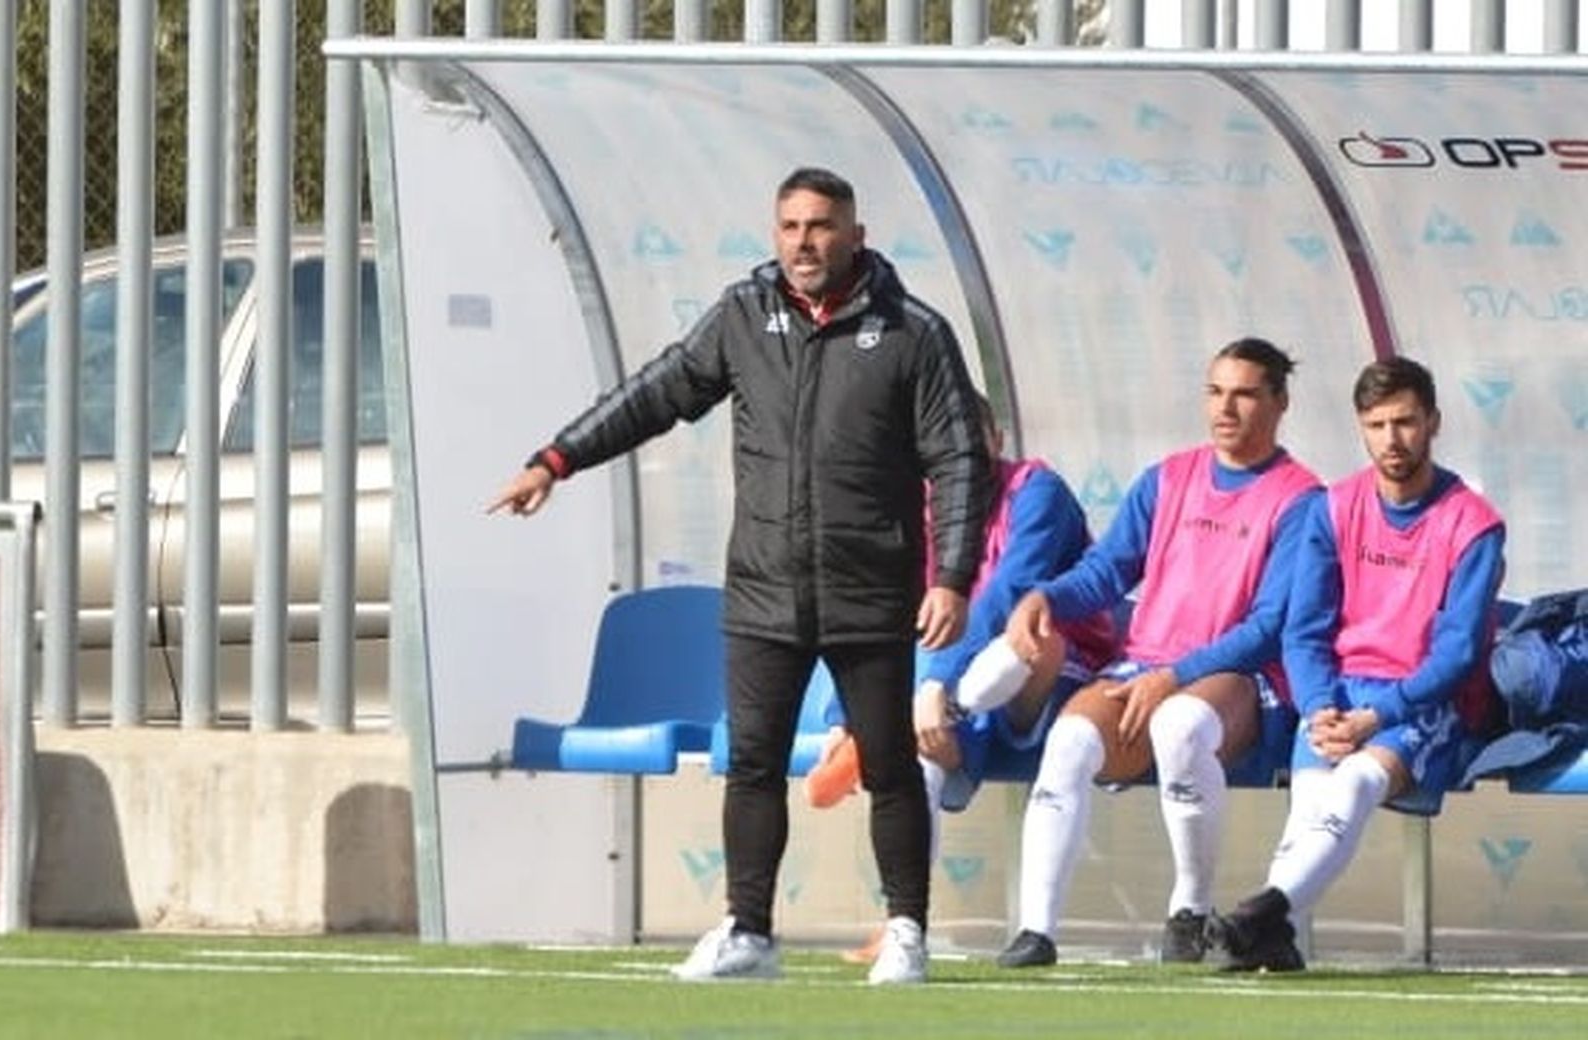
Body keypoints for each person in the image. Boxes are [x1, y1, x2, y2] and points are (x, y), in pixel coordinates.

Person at [487, 167, 993, 985]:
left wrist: (954, 575)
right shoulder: (743, 316)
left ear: (856, 236)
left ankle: (906, 931)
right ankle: (748, 932)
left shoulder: (913, 331)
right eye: (790, 227)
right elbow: (654, 395)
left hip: (870, 590)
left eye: (821, 226)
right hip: (763, 590)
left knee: (889, 764)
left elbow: (959, 458)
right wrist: (556, 460)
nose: (804, 242)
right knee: (752, 763)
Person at [995, 338, 1322, 969]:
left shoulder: (1302, 498)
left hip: (1239, 679)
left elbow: (1269, 627)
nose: (1225, 408)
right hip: (1144, 668)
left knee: (1180, 726)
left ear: (1280, 403)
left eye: (1245, 394)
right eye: (1215, 392)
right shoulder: (1167, 478)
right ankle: (1035, 932)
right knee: (1069, 743)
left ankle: (1189, 911)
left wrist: (1174, 677)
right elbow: (1105, 571)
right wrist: (1045, 597)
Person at [1207, 357, 1505, 972]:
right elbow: (1304, 631)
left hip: (1424, 702)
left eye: (1405, 422)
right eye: (1377, 425)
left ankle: (1258, 917)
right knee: (1309, 811)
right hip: (1340, 697)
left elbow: (1457, 654)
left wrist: (1378, 716)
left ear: (1433, 423)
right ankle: (1273, 937)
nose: (1392, 439)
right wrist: (1319, 705)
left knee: (1354, 784)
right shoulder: (1334, 507)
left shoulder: (1473, 523)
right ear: (1361, 428)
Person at [804, 398, 1117, 963]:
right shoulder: (914, 507)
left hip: (1044, 682)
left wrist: (935, 686)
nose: (958, 460)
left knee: (1030, 637)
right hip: (955, 689)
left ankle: (913, 721)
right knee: (918, 757)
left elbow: (1008, 595)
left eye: (972, 443)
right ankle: (904, 924)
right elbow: (875, 608)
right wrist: (843, 713)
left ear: (996, 439)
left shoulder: (1037, 492)